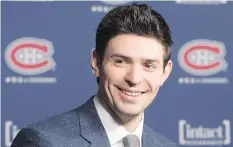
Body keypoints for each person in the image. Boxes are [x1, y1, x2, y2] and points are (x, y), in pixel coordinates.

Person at [11, 3, 179, 147]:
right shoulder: (42, 142)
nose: (134, 79)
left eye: (148, 65)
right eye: (121, 61)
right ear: (96, 62)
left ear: (165, 72)